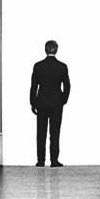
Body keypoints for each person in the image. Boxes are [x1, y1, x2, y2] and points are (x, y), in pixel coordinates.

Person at [29, 39, 70, 167]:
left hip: (41, 103)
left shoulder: (38, 66)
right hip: (56, 104)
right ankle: (54, 160)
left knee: (40, 133)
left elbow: (34, 86)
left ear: (45, 49)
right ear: (56, 50)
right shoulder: (62, 67)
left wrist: (33, 102)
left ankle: (41, 160)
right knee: (55, 132)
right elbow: (67, 86)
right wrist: (63, 100)